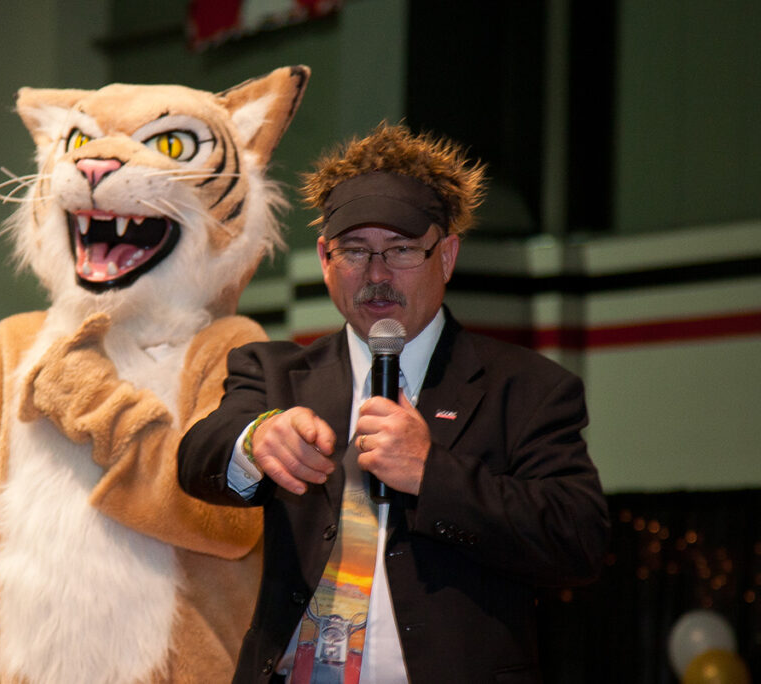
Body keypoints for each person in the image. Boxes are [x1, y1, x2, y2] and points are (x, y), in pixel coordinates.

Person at [177, 123, 610, 683]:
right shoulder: (275, 374)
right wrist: (256, 441)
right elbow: (195, 459)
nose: (377, 274)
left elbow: (578, 540)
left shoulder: (525, 388)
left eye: (402, 250)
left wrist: (434, 474)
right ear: (325, 260)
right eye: (355, 251)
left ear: (446, 255)